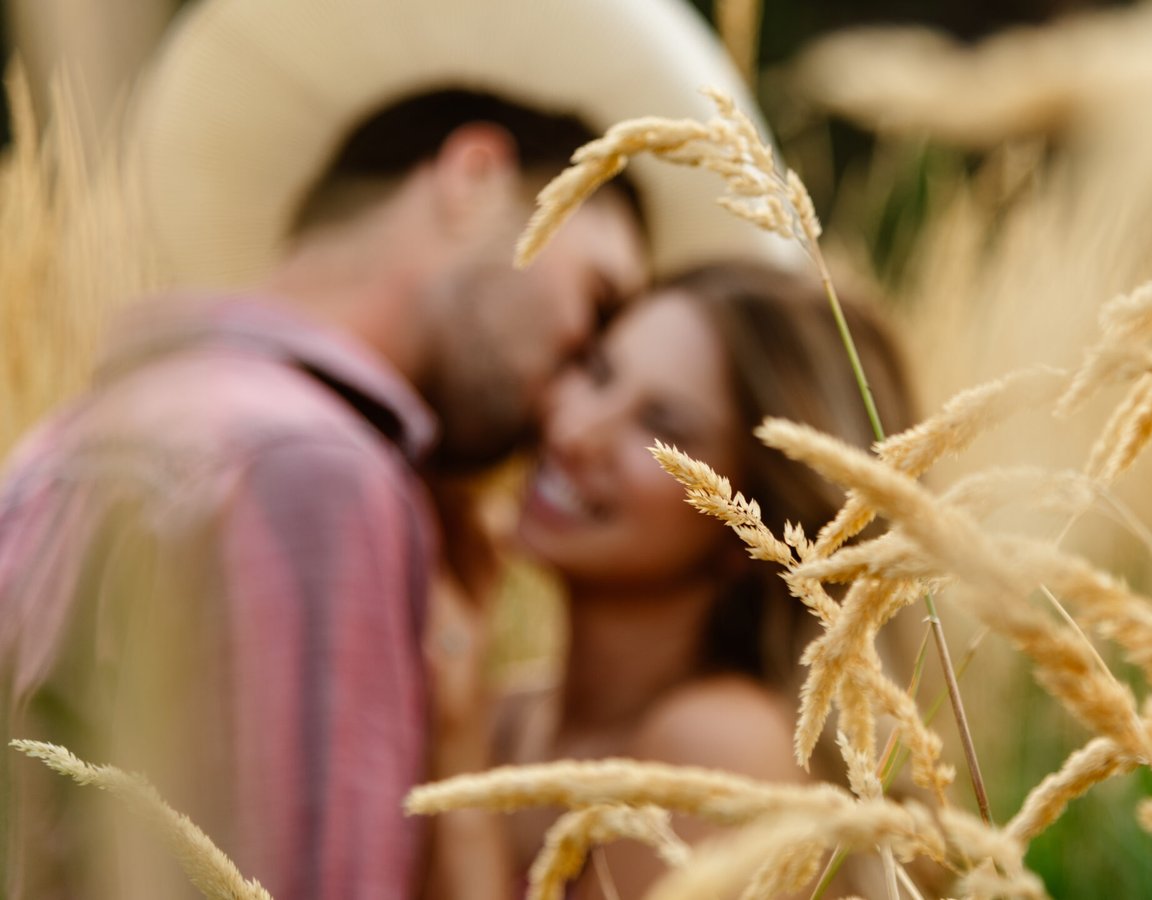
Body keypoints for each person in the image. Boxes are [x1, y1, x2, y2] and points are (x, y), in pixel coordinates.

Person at [0, 0, 791, 897]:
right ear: (474, 176)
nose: (564, 403)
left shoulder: (71, 441)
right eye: (599, 309)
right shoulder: (310, 474)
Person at [427, 262, 918, 900]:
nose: (574, 431)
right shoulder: (509, 715)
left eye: (662, 429)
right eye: (597, 372)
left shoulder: (721, 747)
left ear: (751, 529)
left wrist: (458, 761)